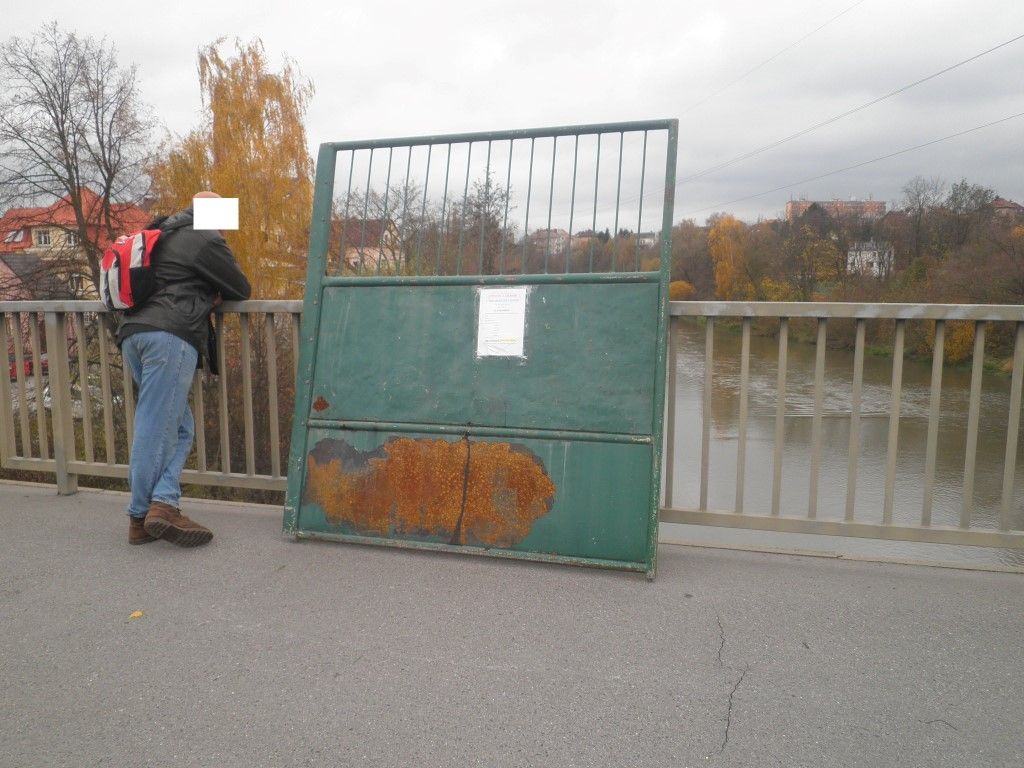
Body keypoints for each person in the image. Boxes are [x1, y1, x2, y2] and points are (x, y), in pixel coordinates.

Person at [117, 191, 251, 546]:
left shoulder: (160, 231)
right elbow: (241, 287)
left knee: (178, 430)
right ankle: (138, 515)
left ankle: (162, 504)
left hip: (132, 334)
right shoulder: (204, 235)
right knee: (155, 428)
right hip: (169, 335)